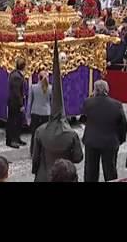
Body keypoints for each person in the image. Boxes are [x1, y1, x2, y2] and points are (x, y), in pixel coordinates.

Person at [32, 39, 83, 182]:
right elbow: (78, 157)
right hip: (66, 176)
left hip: (43, 176)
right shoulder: (71, 135)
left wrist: (35, 171)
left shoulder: (40, 131)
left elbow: (35, 156)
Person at [80, 79, 127, 182]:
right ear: (107, 89)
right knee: (110, 171)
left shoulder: (88, 102)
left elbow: (83, 118)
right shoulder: (117, 104)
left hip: (92, 140)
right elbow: (123, 124)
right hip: (110, 141)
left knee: (90, 171)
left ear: (95, 90)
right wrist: (121, 139)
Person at [27, 70, 52, 155]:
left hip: (35, 112)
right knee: (45, 134)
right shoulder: (50, 88)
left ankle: (33, 151)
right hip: (46, 113)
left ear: (38, 77)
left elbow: (29, 102)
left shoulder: (33, 87)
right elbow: (52, 103)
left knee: (34, 133)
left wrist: (28, 116)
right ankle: (44, 151)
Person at [6, 58, 26, 148]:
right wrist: (21, 104)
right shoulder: (17, 77)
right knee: (13, 122)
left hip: (14, 102)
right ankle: (11, 140)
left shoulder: (15, 74)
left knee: (18, 122)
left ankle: (17, 138)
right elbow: (17, 93)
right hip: (15, 103)